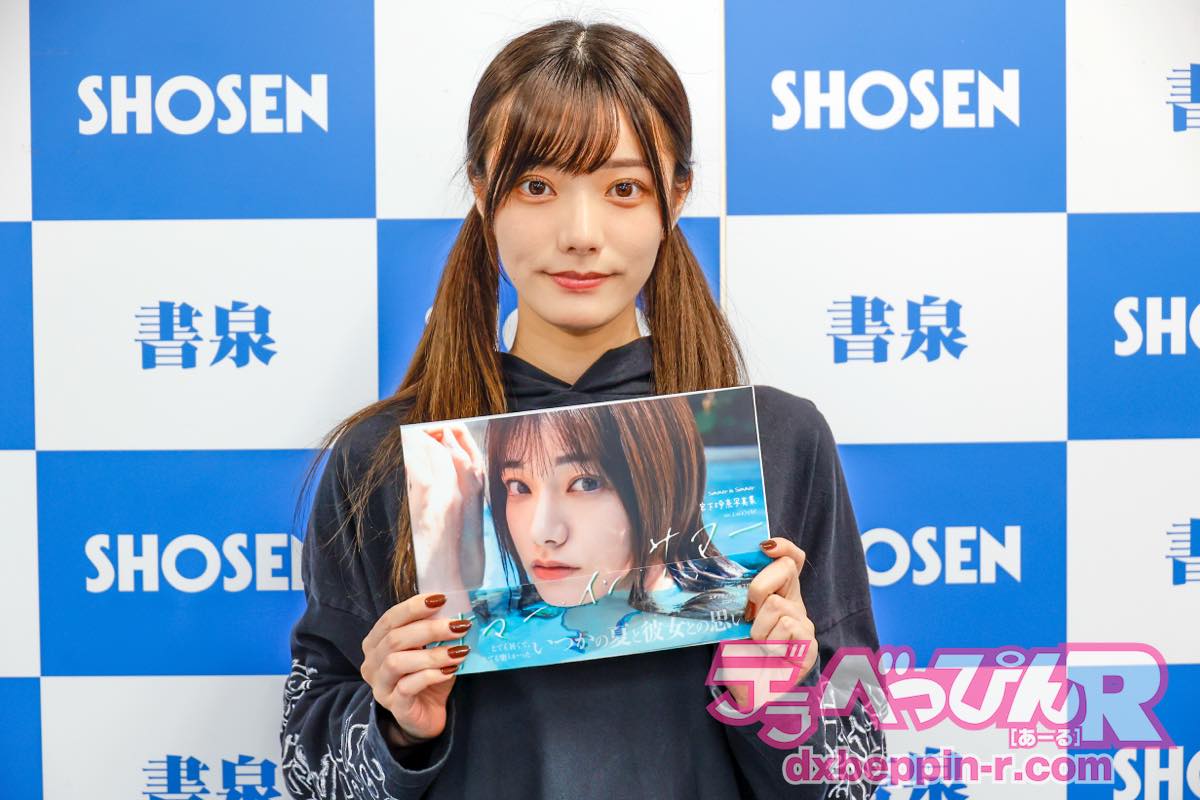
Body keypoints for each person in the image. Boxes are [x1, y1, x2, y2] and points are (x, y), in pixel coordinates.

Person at [280, 18, 884, 799]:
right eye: (537, 186)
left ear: (675, 198)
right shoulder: (384, 458)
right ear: (482, 191)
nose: (580, 234)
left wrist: (779, 696)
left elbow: (854, 775)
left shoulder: (778, 442)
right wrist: (395, 725)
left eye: (623, 189)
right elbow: (309, 771)